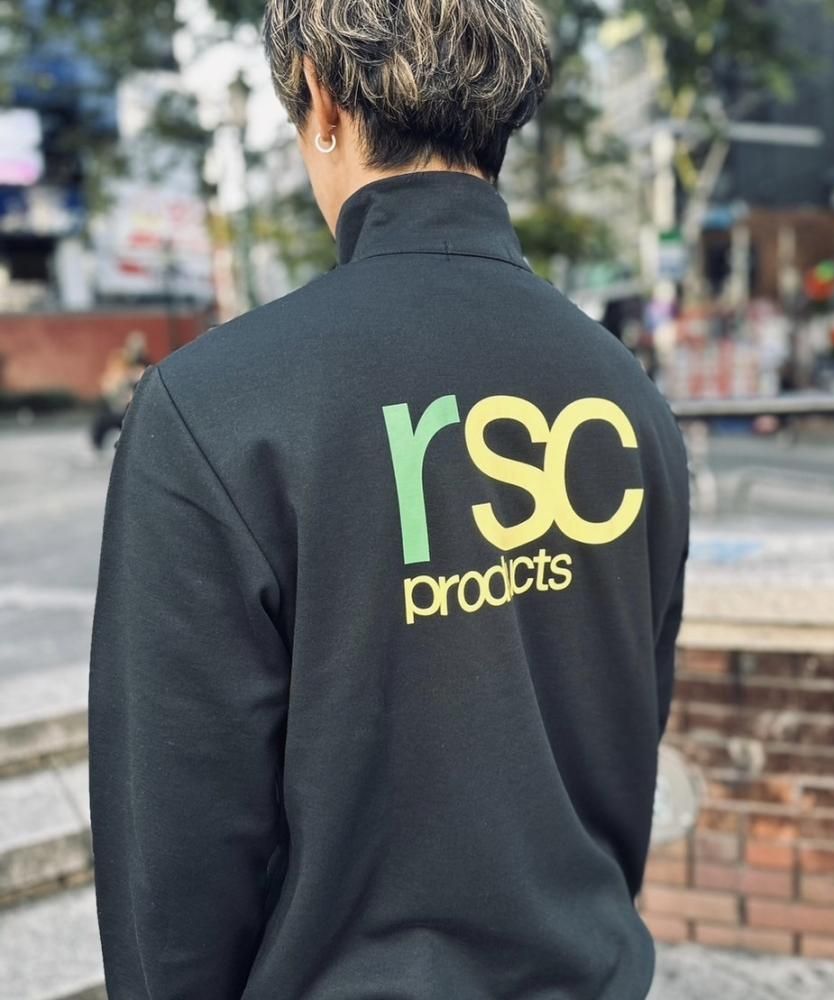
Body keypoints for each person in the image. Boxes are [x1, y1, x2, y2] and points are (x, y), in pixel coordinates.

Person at [88, 1, 689, 997]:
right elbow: (629, 724)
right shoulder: (623, 392)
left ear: (322, 97)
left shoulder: (217, 404)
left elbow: (173, 851)